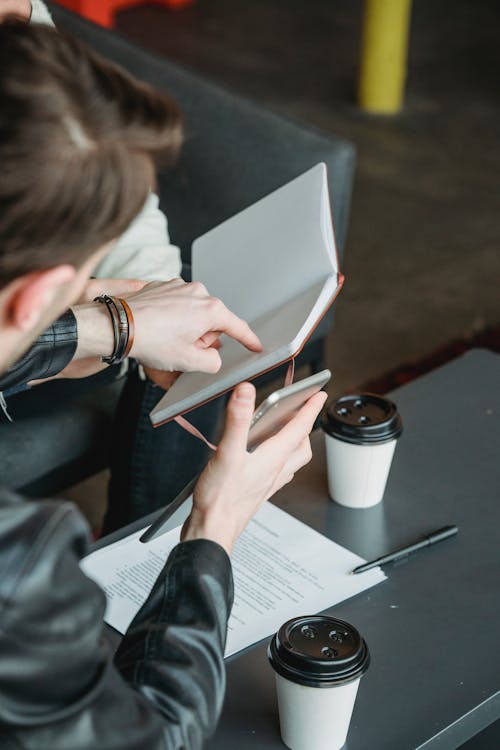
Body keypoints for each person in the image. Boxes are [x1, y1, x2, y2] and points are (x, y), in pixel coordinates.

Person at [0, 20, 326, 749]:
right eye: (85, 276)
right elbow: (152, 739)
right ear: (37, 293)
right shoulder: (17, 563)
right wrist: (213, 530)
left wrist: (107, 323)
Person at [0, 0, 226, 529]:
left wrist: (147, 298)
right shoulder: (30, 561)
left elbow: (98, 179)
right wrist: (211, 530)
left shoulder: (21, 15)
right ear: (37, 294)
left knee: (189, 327)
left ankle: (140, 550)